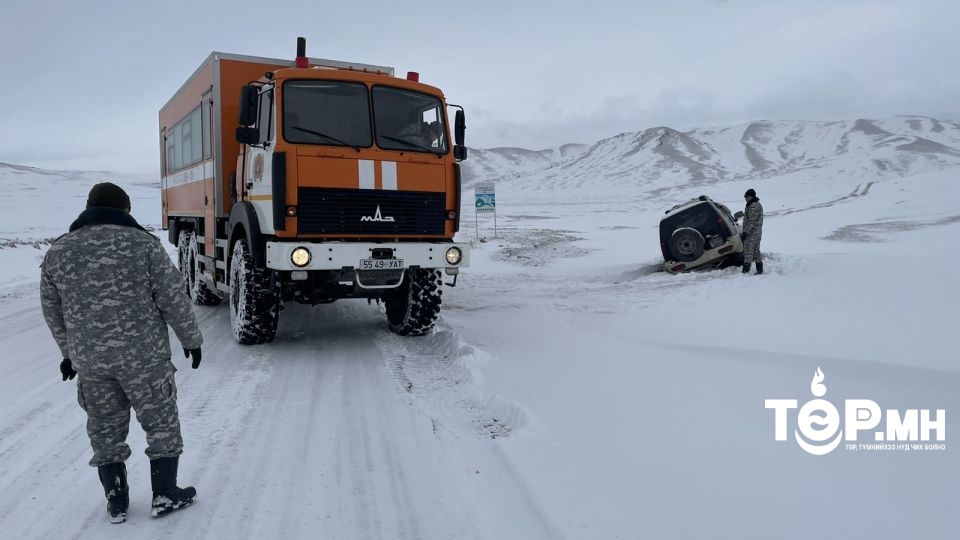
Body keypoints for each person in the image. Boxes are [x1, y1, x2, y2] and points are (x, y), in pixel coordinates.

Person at [40, 182, 204, 522]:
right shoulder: (144, 245)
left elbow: (52, 308)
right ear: (125, 208)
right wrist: (191, 340)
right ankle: (165, 493)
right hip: (144, 358)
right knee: (160, 423)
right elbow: (172, 298)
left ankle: (116, 500)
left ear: (89, 208)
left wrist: (69, 353)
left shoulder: (59, 250)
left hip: (91, 362)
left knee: (104, 428)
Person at [740, 188, 764, 274]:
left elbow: (751, 221)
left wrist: (745, 232)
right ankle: (760, 270)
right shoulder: (753, 204)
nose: (745, 198)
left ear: (752, 196)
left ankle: (745, 271)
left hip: (752, 233)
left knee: (748, 251)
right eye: (745, 197)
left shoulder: (753, 206)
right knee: (756, 251)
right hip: (756, 232)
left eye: (747, 196)